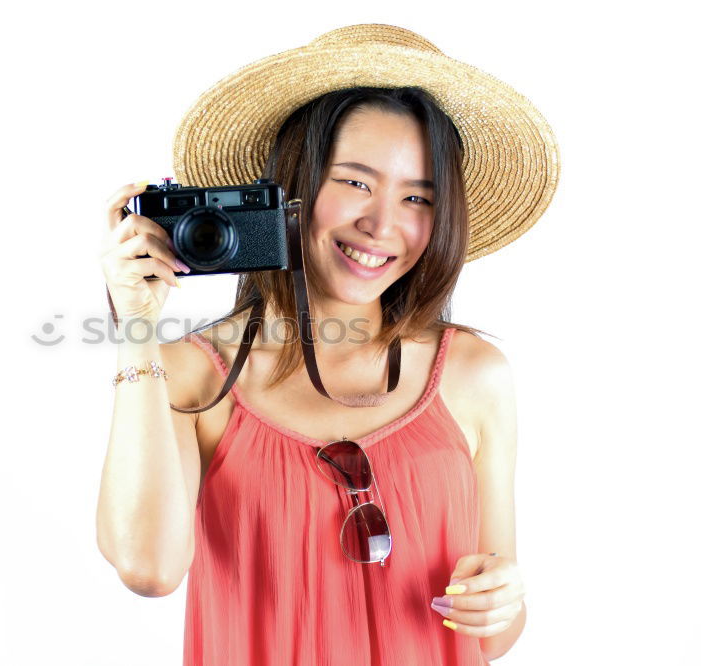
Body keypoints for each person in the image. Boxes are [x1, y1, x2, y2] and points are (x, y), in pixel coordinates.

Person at [96, 24, 559, 665]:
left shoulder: (474, 376)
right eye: (355, 182)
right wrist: (136, 330)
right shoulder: (193, 377)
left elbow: (492, 637)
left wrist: (503, 599)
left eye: (418, 196)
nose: (383, 224)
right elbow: (147, 568)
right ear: (291, 186)